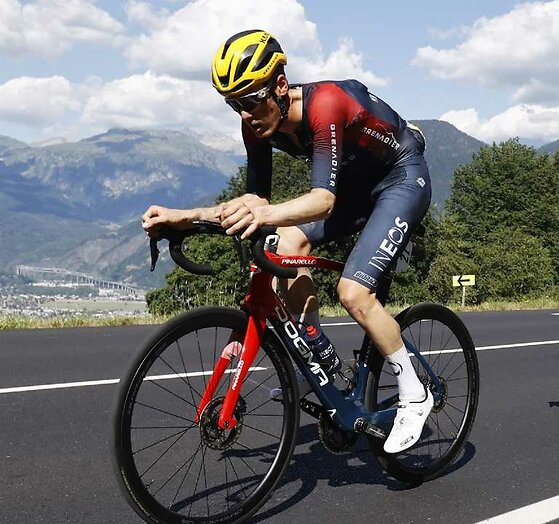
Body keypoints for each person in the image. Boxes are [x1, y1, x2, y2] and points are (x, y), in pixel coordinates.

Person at [141, 30, 432, 454]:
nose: (245, 113)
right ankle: (318, 355)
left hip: (400, 178)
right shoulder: (255, 126)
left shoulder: (327, 104)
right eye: (233, 103)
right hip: (355, 189)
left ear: (280, 85)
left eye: (252, 98)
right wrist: (186, 216)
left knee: (353, 293)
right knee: (284, 245)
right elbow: (255, 199)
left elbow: (323, 200)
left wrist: (262, 214)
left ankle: (415, 392)